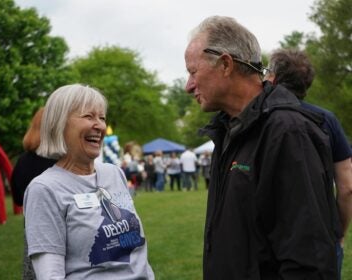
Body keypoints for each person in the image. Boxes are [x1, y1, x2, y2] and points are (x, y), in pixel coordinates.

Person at [184, 16, 340, 279]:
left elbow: (309, 258)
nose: (188, 86)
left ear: (225, 64)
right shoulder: (228, 130)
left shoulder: (288, 132)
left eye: (192, 72)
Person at [24, 84, 154, 280]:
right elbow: (50, 275)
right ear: (60, 124)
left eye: (102, 118)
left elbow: (137, 254)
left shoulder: (114, 173)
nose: (100, 125)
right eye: (88, 116)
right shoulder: (44, 189)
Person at [265, 48, 352, 280]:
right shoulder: (327, 120)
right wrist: (339, 232)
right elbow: (347, 187)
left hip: (269, 240)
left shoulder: (261, 119)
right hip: (321, 239)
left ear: (272, 77)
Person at [11, 107, 57, 280]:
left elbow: (17, 198)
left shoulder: (23, 161)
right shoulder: (61, 162)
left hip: (32, 233)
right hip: (58, 235)